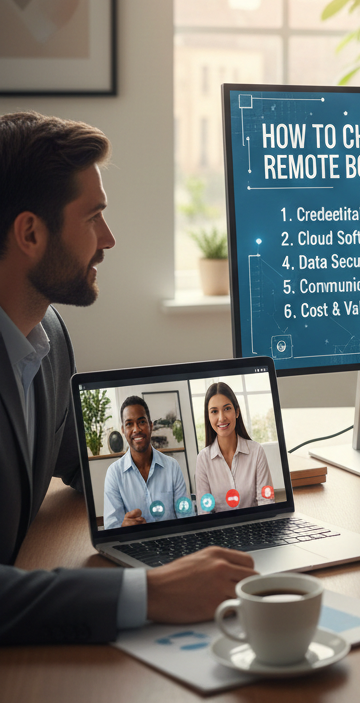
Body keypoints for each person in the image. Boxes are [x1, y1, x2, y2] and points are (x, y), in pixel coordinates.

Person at [0, 111, 255, 646]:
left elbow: (74, 461)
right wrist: (151, 592)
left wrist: (215, 520)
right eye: (93, 217)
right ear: (30, 233)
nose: (109, 238)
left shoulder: (45, 334)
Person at [103, 395, 192, 529]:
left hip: (172, 542)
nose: (136, 429)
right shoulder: (114, 473)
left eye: (141, 422)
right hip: (135, 544)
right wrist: (123, 528)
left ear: (150, 425)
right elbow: (110, 528)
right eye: (129, 424)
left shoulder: (172, 467)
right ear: (123, 430)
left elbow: (186, 517)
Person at [194, 381, 275, 513]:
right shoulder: (203, 459)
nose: (221, 418)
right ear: (208, 417)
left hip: (255, 528)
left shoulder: (256, 451)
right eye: (214, 411)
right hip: (220, 532)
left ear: (237, 412)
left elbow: (267, 503)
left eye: (227, 409)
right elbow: (205, 513)